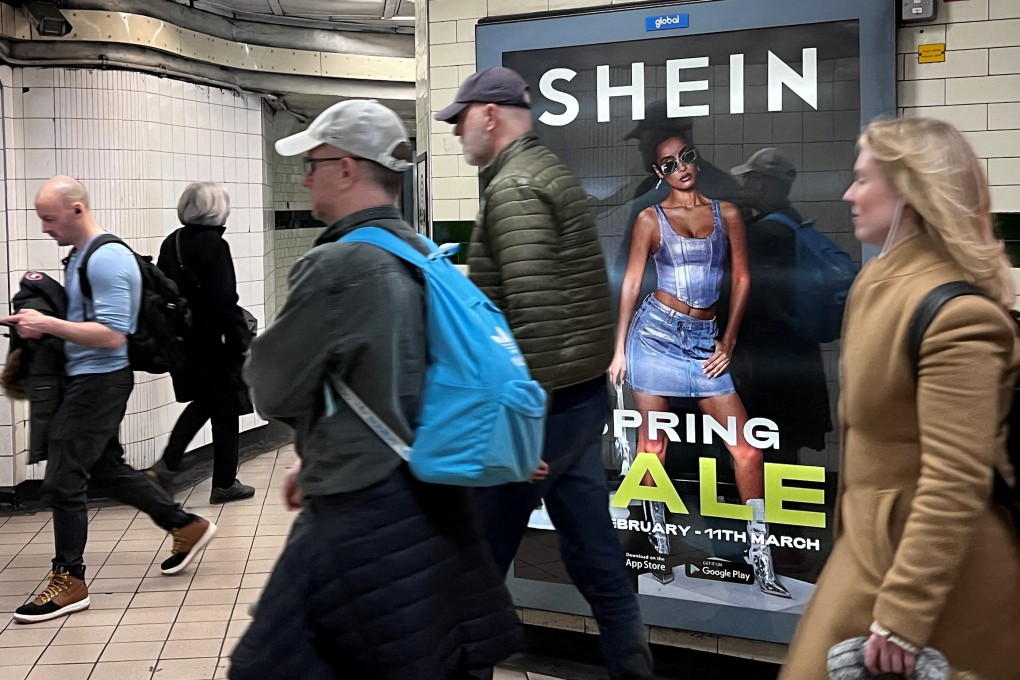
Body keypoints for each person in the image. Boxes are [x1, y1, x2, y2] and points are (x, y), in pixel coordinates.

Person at [231, 99, 521, 679]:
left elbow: (271, 388)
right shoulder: (423, 253)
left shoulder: (338, 265)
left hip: (362, 509)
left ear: (348, 168)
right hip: (436, 496)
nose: (306, 176)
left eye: (314, 162)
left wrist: (331, 443)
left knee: (270, 664)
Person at [779, 117, 1020, 680]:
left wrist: (904, 614)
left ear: (910, 190)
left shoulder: (957, 317)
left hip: (933, 573)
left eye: (862, 179)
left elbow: (955, 478)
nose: (848, 195)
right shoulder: (876, 282)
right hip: (870, 549)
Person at [436, 66, 655, 680]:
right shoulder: (548, 170)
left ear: (487, 114)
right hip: (576, 402)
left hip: (543, 411)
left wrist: (517, 432)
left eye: (459, 121)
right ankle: (633, 669)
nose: (457, 135)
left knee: (474, 567)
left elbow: (530, 313)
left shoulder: (513, 189)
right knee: (596, 557)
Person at [2, 176, 216, 625]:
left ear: (77, 210)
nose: (44, 227)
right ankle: (184, 525)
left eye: (50, 218)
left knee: (63, 475)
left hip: (100, 383)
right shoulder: (80, 256)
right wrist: (31, 321)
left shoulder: (107, 260)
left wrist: (47, 326)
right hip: (87, 381)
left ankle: (70, 579)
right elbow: (83, 322)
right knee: (107, 470)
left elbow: (111, 335)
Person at [608, 130, 789, 598]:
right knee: (655, 447)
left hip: (704, 341)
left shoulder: (725, 211)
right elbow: (630, 283)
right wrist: (619, 349)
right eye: (668, 164)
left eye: (685, 157)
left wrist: (727, 340)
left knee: (748, 449)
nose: (681, 168)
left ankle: (760, 554)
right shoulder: (651, 218)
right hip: (654, 334)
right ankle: (658, 546)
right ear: (658, 172)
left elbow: (743, 278)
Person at [149, 182, 255, 504]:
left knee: (219, 406)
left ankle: (224, 481)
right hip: (215, 342)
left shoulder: (173, 242)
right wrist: (241, 339)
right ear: (216, 209)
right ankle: (170, 467)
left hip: (184, 340)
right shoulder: (214, 245)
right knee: (216, 404)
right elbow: (224, 299)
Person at [728, 148, 831, 458]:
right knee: (785, 446)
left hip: (766, 363)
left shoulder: (764, 234)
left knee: (767, 446)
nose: (744, 188)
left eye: (749, 180)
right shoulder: (793, 222)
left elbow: (749, 301)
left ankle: (765, 506)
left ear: (764, 183)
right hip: (796, 356)